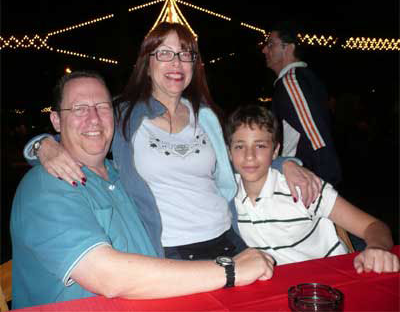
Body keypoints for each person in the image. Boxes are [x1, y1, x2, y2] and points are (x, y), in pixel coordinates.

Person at [23, 22, 321, 260]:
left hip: (228, 238)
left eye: (184, 53)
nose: (176, 62)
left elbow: (244, 157)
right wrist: (42, 145)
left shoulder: (206, 116)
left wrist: (285, 164)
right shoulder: (124, 115)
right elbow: (84, 127)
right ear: (146, 63)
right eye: (164, 53)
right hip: (171, 251)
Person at [11, 72, 275, 309]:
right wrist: (230, 271)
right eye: (79, 108)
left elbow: (227, 163)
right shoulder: (45, 187)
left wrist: (285, 164)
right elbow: (108, 277)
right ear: (56, 120)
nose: (93, 118)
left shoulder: (124, 173)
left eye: (102, 107)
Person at [225, 104, 399, 272]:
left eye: (260, 145)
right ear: (229, 152)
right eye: (240, 146)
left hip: (332, 278)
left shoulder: (303, 186)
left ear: (276, 150)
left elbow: (373, 226)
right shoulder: (227, 194)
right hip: (280, 290)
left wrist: (377, 247)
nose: (249, 156)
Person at [262, 21, 342, 187]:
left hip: (303, 181)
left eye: (270, 44)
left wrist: (324, 185)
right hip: (304, 178)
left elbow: (316, 137)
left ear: (289, 48)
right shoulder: (302, 79)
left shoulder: (291, 82)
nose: (264, 50)